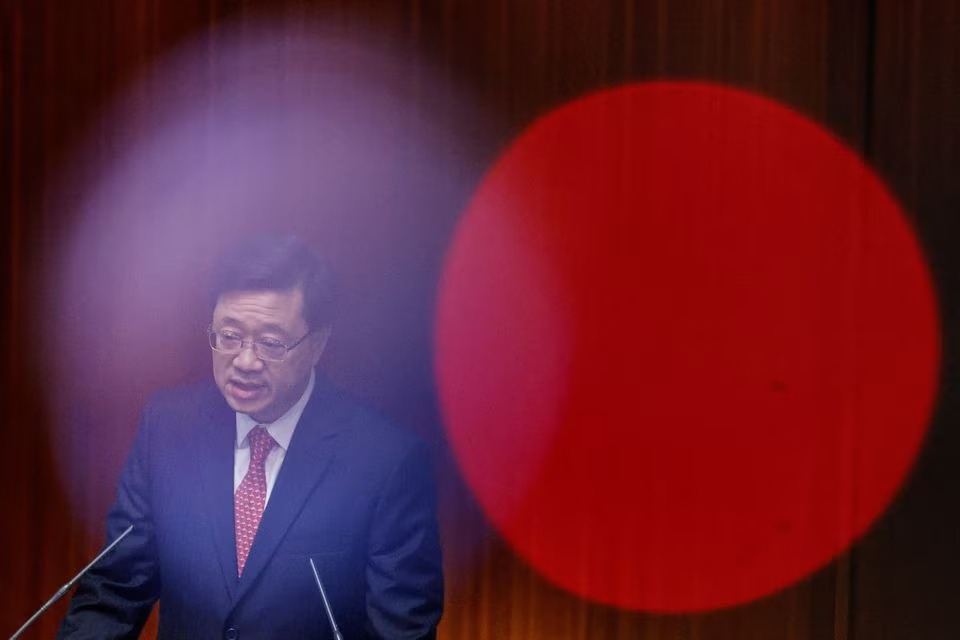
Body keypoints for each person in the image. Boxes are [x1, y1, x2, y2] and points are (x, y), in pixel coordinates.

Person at [58, 235, 444, 639]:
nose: (244, 361)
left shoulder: (384, 462)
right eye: (229, 336)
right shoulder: (168, 428)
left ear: (317, 345)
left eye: (271, 344)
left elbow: (401, 631)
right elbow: (116, 588)